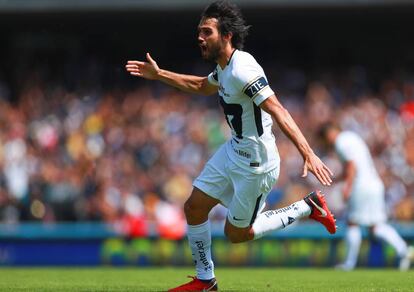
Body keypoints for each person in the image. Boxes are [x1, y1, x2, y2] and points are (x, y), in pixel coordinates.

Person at [126, 1, 336, 291]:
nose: (200, 37)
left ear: (226, 36)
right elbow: (202, 86)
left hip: (256, 164)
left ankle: (306, 207)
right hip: (233, 150)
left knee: (237, 234)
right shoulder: (223, 68)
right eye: (199, 31)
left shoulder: (242, 69)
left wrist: (308, 153)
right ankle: (205, 280)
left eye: (206, 32)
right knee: (194, 208)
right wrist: (159, 74)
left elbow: (278, 110)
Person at [319, 122, 414, 271]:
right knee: (376, 227)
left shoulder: (341, 141)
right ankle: (404, 250)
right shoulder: (352, 137)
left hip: (361, 186)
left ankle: (349, 264)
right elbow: (353, 165)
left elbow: (351, 165)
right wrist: (336, 179)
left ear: (329, 134)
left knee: (352, 223)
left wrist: (347, 187)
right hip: (374, 184)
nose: (327, 143)